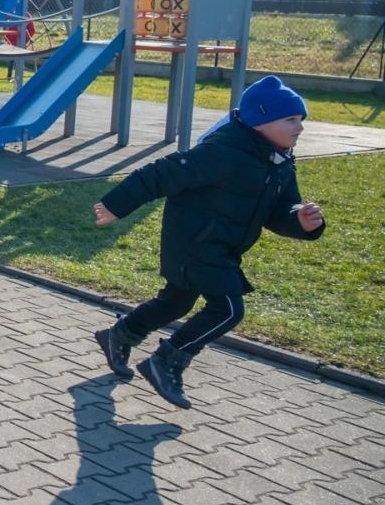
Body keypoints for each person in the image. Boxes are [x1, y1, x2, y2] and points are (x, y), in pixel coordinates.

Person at [92, 76, 326, 409]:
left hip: (223, 245)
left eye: (301, 120)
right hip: (193, 242)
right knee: (228, 309)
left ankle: (121, 334)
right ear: (261, 121)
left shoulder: (280, 161)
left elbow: (278, 210)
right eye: (290, 119)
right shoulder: (223, 152)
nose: (299, 127)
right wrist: (117, 205)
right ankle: (167, 360)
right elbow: (161, 173)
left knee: (177, 303)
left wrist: (299, 220)